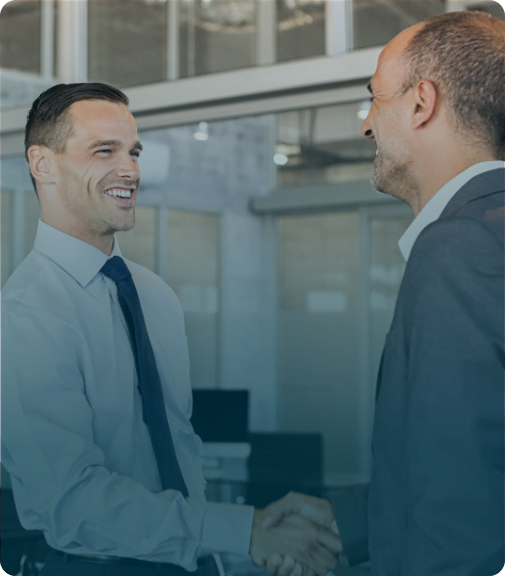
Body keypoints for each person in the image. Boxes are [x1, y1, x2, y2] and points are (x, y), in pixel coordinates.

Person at [0, 83, 342, 576]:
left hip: (192, 562)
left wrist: (239, 547)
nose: (131, 170)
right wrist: (241, 531)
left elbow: (182, 449)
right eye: (105, 150)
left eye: (134, 151)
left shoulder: (156, 296)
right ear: (42, 164)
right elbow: (73, 504)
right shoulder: (24, 316)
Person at [259, 9, 505, 576]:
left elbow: (463, 521)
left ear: (422, 103)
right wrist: (346, 520)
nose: (366, 124)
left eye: (374, 98)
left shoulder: (459, 247)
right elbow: (479, 464)